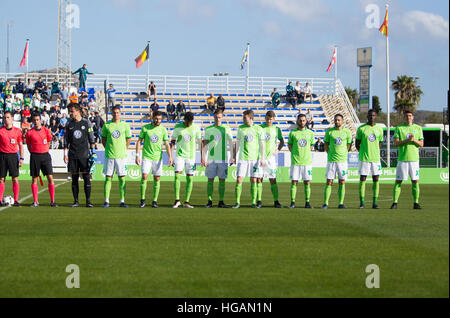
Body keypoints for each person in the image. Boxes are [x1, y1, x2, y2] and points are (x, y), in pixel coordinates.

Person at [136, 110, 173, 208]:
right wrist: (137, 155)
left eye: (160, 119)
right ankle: (142, 200)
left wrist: (170, 157)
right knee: (144, 176)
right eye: (157, 118)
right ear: (153, 118)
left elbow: (167, 144)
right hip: (146, 157)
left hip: (157, 158)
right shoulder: (145, 128)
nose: (158, 120)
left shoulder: (163, 130)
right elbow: (139, 141)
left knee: (157, 178)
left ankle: (154, 201)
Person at [64, 103, 96, 208]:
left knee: (86, 178)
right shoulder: (69, 124)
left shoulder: (86, 123)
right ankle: (76, 201)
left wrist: (93, 152)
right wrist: (65, 154)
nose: (70, 113)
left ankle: (88, 201)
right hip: (73, 155)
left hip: (84, 155)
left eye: (72, 111)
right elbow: (66, 140)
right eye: (70, 111)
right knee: (74, 178)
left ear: (78, 111)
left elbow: (92, 139)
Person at [232, 109, 265, 209]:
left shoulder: (258, 129)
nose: (242, 119)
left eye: (244, 117)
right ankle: (237, 202)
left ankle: (253, 202)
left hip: (254, 159)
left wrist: (262, 158)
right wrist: (234, 156)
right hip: (243, 158)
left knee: (253, 180)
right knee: (239, 179)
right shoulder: (241, 128)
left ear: (250, 118)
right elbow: (237, 143)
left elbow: (262, 144)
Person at [391, 110, 424, 210]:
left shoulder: (418, 128)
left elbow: (422, 144)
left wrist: (413, 140)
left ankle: (416, 203)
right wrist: (407, 140)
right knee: (398, 181)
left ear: (413, 117)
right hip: (403, 159)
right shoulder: (399, 128)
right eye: (406, 116)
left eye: (410, 116)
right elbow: (396, 143)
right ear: (403, 117)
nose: (408, 117)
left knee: (415, 181)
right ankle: (395, 203)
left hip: (414, 160)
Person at [201, 109, 233, 208]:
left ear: (222, 117)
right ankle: (209, 201)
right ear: (213, 117)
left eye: (219, 117)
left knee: (222, 180)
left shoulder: (226, 129)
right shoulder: (209, 129)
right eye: (216, 117)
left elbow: (231, 143)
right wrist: (203, 157)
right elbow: (205, 144)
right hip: (211, 158)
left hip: (223, 158)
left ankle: (221, 201)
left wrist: (232, 156)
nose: (217, 119)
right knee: (210, 179)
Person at [101, 105, 132, 208]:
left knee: (122, 178)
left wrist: (123, 149)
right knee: (108, 178)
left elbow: (128, 139)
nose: (116, 114)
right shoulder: (107, 125)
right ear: (111, 113)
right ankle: (106, 201)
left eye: (117, 112)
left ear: (120, 113)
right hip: (109, 155)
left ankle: (122, 201)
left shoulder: (125, 125)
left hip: (121, 156)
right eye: (114, 112)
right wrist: (108, 149)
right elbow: (103, 139)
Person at [25, 112, 58, 207]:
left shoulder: (46, 131)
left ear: (41, 120)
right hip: (35, 156)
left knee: (50, 178)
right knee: (34, 179)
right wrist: (34, 152)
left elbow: (48, 142)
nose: (36, 122)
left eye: (37, 120)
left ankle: (52, 200)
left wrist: (44, 150)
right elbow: (28, 145)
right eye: (34, 120)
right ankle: (35, 201)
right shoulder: (30, 132)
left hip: (45, 156)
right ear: (32, 121)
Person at [170, 112, 201, 208]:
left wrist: (202, 157)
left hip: (191, 157)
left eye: (191, 122)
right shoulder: (178, 127)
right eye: (188, 122)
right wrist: (171, 156)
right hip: (180, 156)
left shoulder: (196, 127)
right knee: (177, 176)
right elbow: (172, 142)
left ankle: (187, 201)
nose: (189, 124)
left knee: (190, 178)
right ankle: (177, 200)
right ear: (185, 120)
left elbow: (200, 142)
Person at [322, 114, 353, 209]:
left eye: (339, 120)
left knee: (342, 182)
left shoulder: (347, 132)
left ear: (342, 121)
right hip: (332, 161)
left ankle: (341, 203)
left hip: (342, 161)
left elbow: (349, 145)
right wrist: (329, 153)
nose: (337, 122)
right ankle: (325, 203)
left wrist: (343, 153)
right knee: (329, 182)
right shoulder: (330, 132)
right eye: (335, 120)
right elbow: (326, 144)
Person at [355, 109, 384, 209]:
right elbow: (357, 144)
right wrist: (364, 151)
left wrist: (374, 150)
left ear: (376, 117)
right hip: (364, 158)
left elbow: (380, 142)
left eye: (374, 115)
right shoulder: (361, 129)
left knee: (376, 179)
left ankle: (375, 203)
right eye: (370, 115)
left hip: (375, 159)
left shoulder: (379, 129)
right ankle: (362, 203)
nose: (372, 117)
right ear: (367, 116)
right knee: (363, 178)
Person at [256, 111, 284, 208]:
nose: (269, 120)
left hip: (271, 158)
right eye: (267, 118)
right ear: (265, 118)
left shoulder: (276, 129)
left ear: (274, 119)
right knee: (259, 179)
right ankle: (259, 200)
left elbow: (282, 141)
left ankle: (276, 201)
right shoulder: (259, 128)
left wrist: (278, 149)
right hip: (260, 156)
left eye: (271, 119)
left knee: (273, 179)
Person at [288, 114, 315, 209]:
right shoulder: (293, 133)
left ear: (306, 121)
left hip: (306, 162)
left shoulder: (310, 133)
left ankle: (307, 202)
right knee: (294, 182)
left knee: (307, 182)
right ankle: (292, 202)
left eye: (303, 120)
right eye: (300, 120)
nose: (302, 122)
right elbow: (290, 146)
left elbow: (312, 146)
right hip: (295, 162)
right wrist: (296, 154)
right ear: (297, 121)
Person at [0, 112, 24, 206]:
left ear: (12, 118)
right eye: (5, 117)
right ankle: (0, 200)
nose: (6, 119)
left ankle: (16, 200)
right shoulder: (0, 131)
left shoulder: (17, 131)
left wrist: (21, 158)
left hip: (13, 156)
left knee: (15, 178)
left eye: (8, 117)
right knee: (1, 179)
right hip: (2, 155)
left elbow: (21, 145)